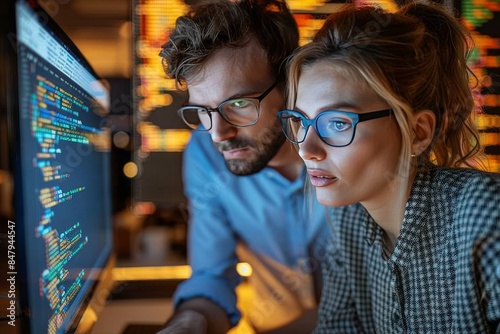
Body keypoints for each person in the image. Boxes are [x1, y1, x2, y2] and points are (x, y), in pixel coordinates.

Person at [277, 2, 500, 333]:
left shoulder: (483, 214)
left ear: (417, 131)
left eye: (337, 123)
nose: (306, 150)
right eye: (300, 121)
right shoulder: (348, 221)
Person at [157, 0, 330, 333]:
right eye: (203, 111)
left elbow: (373, 299)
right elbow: (211, 276)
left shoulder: (349, 145)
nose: (218, 133)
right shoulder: (204, 154)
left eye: (238, 104)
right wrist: (189, 323)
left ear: (289, 86)